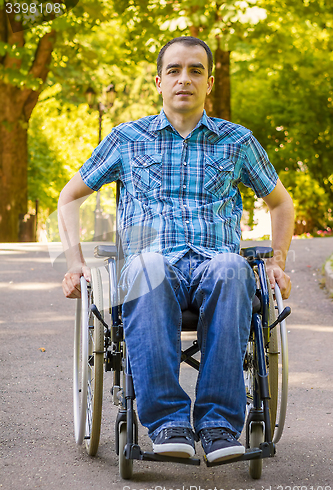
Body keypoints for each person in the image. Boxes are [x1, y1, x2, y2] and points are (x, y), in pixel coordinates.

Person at [58, 36, 294, 463]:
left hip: (214, 265)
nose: (184, 79)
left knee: (233, 267)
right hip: (151, 266)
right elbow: (69, 197)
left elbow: (281, 202)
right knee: (148, 266)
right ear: (159, 81)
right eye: (174, 70)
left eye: (195, 71)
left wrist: (277, 263)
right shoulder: (126, 139)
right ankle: (168, 422)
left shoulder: (236, 141)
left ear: (209, 83)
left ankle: (219, 426)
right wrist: (75, 263)